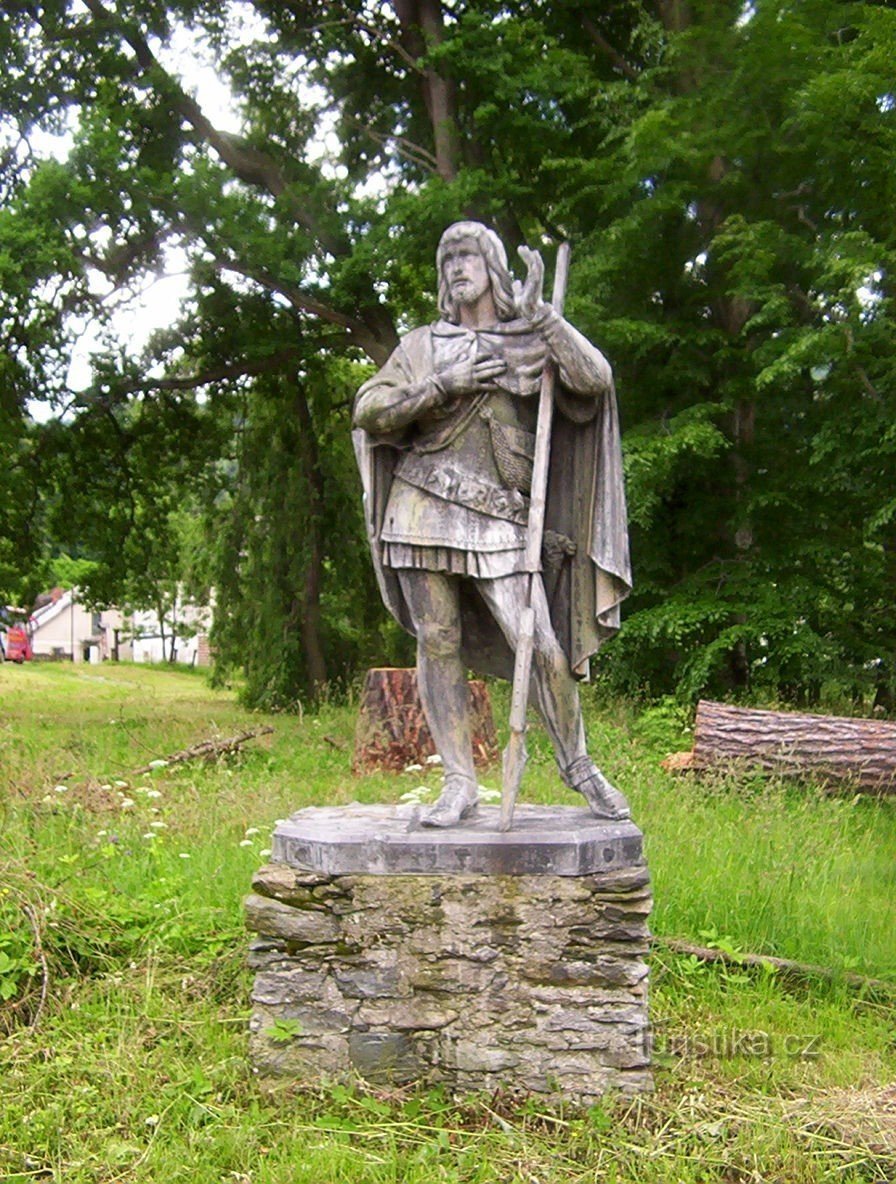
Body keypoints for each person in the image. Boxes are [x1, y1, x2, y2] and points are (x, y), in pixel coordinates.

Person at [353, 221, 632, 827]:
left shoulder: (528, 336)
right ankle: (459, 781)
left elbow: (596, 379)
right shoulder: (423, 345)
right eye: (446, 255)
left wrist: (546, 320)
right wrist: (439, 386)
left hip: (501, 518)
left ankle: (578, 765)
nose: (456, 265)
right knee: (438, 641)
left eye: (467, 254)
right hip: (421, 505)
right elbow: (369, 409)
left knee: (541, 644)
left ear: (493, 265)